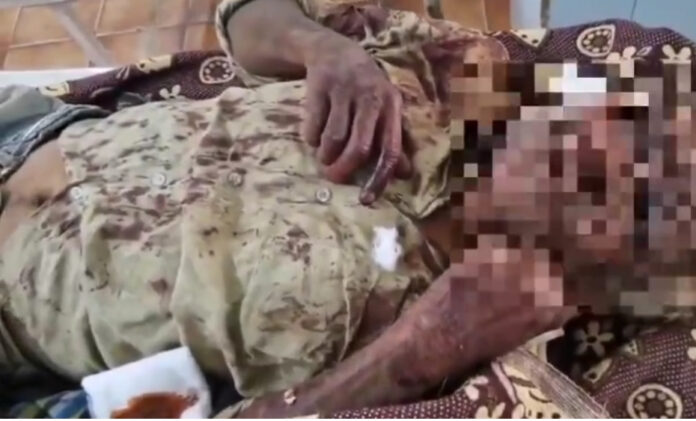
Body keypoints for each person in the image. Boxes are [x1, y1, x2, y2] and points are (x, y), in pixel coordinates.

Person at [0, 0, 695, 418]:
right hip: (26, 130)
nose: (602, 156)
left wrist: (417, 354)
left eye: (641, 201)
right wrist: (322, 47)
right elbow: (248, 13)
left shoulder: (447, 342)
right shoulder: (452, 73)